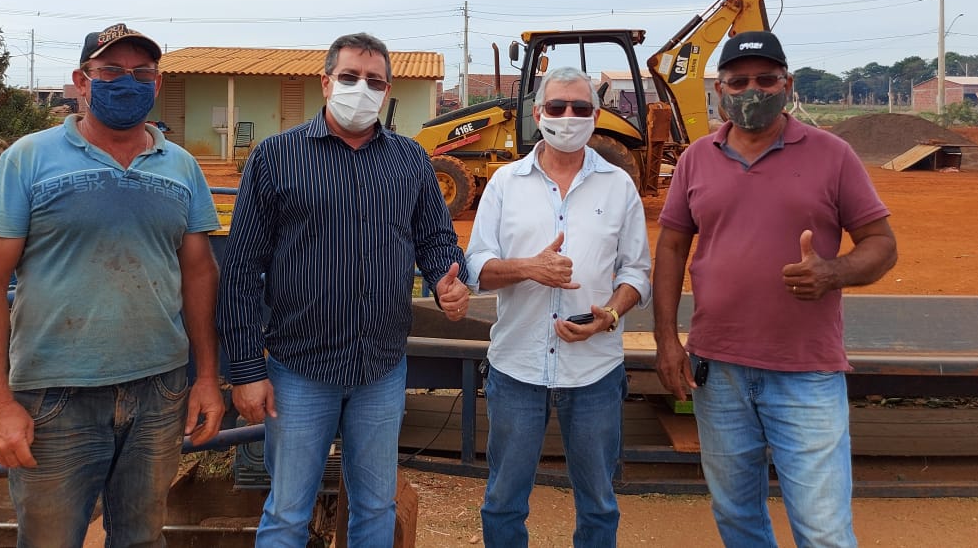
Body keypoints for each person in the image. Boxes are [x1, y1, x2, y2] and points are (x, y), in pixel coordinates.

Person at [0, 22, 225, 548]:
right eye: (110, 72)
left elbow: (199, 273)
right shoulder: (29, 159)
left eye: (141, 72)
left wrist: (206, 377)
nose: (127, 82)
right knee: (50, 540)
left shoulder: (182, 167)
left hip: (159, 390)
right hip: (55, 396)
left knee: (143, 538)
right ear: (81, 81)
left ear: (156, 83)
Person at [216, 31, 471, 547]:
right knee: (288, 511)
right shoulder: (276, 158)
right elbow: (241, 270)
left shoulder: (410, 161)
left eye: (374, 81)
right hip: (299, 371)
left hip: (381, 367)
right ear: (326, 82)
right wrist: (245, 370)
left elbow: (436, 239)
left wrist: (452, 277)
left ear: (387, 90)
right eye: (350, 77)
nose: (362, 88)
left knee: (375, 507)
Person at [652, 30, 898, 547]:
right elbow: (672, 248)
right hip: (717, 373)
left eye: (766, 79)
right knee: (737, 516)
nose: (751, 91)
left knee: (824, 529)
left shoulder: (832, 155)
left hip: (806, 373)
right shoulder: (697, 158)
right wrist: (667, 341)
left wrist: (834, 272)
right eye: (738, 82)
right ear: (719, 91)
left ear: (788, 84)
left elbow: (881, 243)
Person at [465, 66, 652, 548]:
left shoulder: (618, 186)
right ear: (537, 113)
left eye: (580, 108)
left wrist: (608, 315)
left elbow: (636, 272)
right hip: (517, 370)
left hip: (594, 374)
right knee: (504, 500)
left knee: (598, 502)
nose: (568, 117)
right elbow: (476, 268)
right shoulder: (506, 183)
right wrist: (529, 268)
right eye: (557, 107)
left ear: (595, 115)